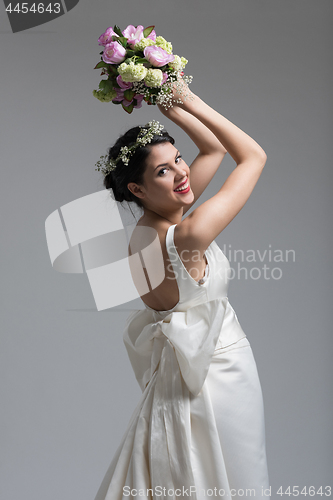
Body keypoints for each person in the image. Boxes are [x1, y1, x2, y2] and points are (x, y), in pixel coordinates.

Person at [94, 80, 270, 500]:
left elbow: (212, 152)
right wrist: (188, 99)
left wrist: (169, 108)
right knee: (234, 481)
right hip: (219, 375)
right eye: (163, 170)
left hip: (175, 378)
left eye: (177, 160)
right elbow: (253, 156)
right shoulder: (189, 234)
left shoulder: (144, 232)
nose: (182, 173)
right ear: (136, 190)